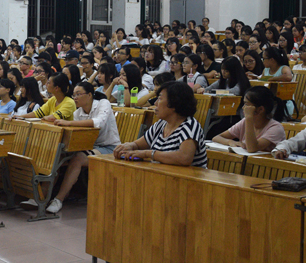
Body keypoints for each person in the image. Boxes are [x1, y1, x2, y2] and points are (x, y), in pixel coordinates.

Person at [41, 82, 121, 213]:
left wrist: (69, 123)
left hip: (109, 148)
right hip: (89, 146)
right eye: (74, 95)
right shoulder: (78, 112)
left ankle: (59, 199)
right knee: (57, 155)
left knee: (78, 158)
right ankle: (41, 197)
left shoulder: (103, 103)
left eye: (78, 94)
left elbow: (98, 123)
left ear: (89, 95)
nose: (75, 98)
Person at [114, 81, 208, 167]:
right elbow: (138, 145)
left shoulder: (190, 125)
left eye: (160, 99)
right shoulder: (161, 124)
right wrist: (129, 146)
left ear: (174, 104)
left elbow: (184, 158)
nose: (155, 103)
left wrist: (148, 154)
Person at [212, 86, 286, 152]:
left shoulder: (275, 128)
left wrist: (249, 118)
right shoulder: (245, 122)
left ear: (260, 109)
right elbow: (216, 138)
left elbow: (252, 148)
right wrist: (229, 142)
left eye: (246, 104)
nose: (243, 107)